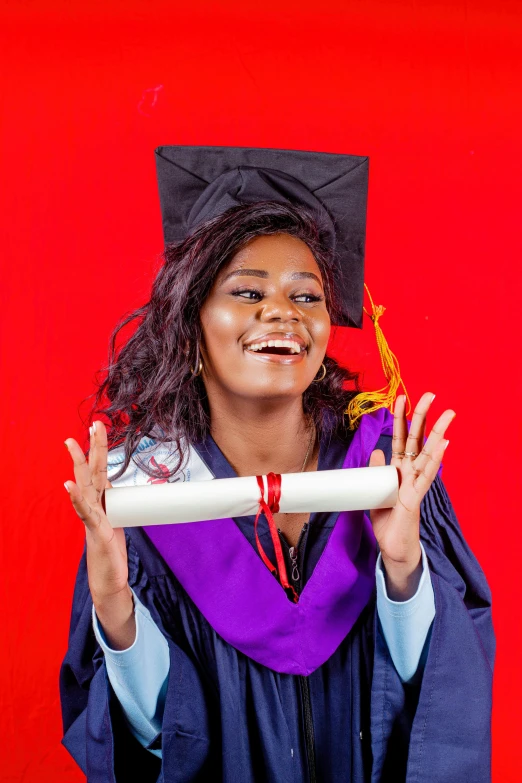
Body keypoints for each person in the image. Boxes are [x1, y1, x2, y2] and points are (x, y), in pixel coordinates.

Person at [60, 147, 494, 782]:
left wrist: (403, 569)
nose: (281, 310)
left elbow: (439, 707)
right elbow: (154, 741)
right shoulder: (140, 496)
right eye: (246, 291)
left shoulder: (384, 464)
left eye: (307, 294)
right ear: (191, 325)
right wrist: (115, 609)